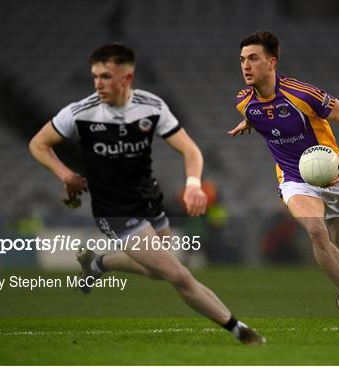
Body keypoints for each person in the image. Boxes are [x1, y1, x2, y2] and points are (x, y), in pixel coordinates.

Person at [29, 44, 264, 345]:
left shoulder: (150, 106)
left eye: (105, 77)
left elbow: (189, 149)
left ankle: (98, 263)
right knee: (178, 275)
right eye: (95, 77)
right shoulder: (79, 112)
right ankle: (240, 331)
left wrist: (193, 184)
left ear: (127, 79)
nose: (97, 84)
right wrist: (66, 175)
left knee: (156, 271)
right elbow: (38, 144)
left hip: (149, 200)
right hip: (115, 211)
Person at [228, 31, 339, 324]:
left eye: (254, 59)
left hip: (333, 174)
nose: (246, 65)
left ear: (272, 62)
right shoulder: (244, 102)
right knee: (317, 232)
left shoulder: (302, 93)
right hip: (294, 179)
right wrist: (248, 122)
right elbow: (260, 113)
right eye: (243, 60)